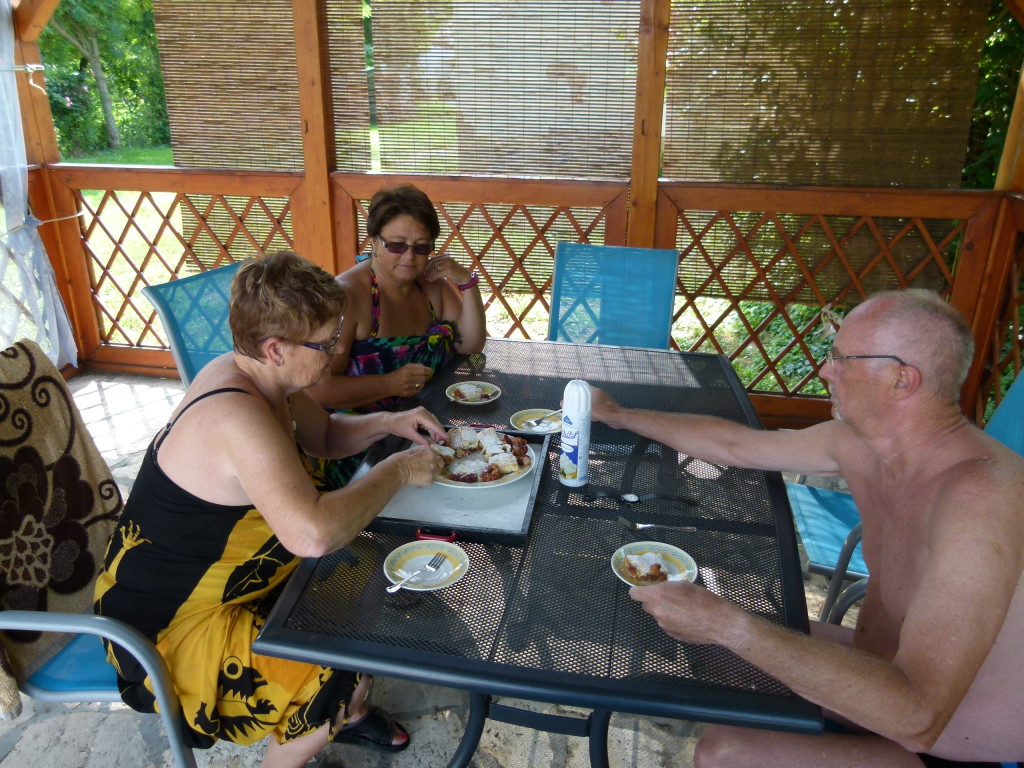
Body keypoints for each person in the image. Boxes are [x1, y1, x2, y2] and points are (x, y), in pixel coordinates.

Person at [590, 289, 1024, 768]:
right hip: (880, 673)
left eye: (842, 360)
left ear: (902, 381)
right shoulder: (861, 443)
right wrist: (618, 414)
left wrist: (729, 623)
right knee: (696, 647)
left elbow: (918, 714)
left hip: (946, 741)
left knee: (725, 751)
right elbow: (736, 445)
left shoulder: (981, 497)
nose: (824, 371)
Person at [94, 252, 446, 768]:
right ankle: (316, 724)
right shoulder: (235, 416)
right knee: (333, 662)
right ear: (275, 348)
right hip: (168, 630)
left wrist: (388, 424)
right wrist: (396, 471)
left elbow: (322, 436)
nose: (334, 353)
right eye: (324, 344)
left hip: (233, 587)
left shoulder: (268, 378)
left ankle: (344, 713)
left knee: (370, 580)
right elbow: (312, 535)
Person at [307, 183, 486, 490]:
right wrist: (388, 384)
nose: (410, 257)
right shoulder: (347, 298)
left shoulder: (430, 286)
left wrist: (466, 283)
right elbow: (315, 391)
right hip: (356, 445)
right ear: (374, 241)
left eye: (421, 247)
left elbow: (469, 343)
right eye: (397, 245)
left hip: (425, 428)